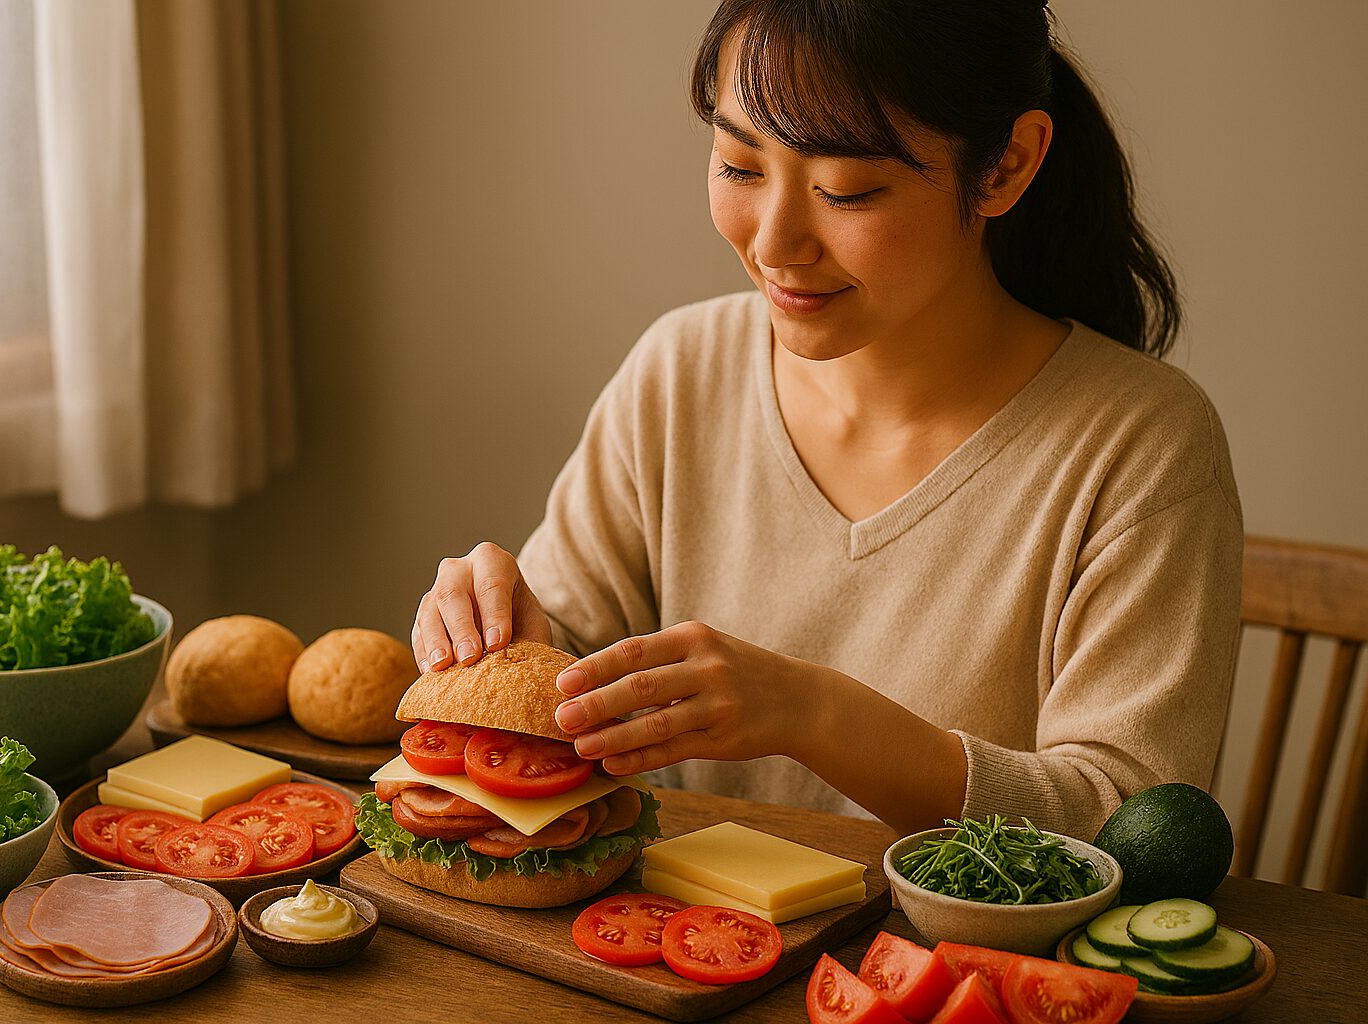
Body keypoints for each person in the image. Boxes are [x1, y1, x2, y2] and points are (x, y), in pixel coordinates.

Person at [409, 0, 1242, 840]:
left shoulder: (1142, 446)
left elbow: (1135, 826)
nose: (775, 242)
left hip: (961, 967)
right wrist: (508, 637)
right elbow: (573, 665)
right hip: (685, 954)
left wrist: (814, 713)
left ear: (1005, 167)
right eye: (739, 166)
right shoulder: (681, 370)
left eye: (847, 190)